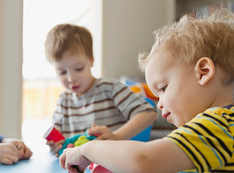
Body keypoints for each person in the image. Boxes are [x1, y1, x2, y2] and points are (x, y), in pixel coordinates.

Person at [59, 9, 234, 173]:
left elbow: (143, 159)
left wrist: (87, 149)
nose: (160, 104)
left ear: (203, 72)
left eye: (164, 88)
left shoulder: (220, 124)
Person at [44, 24, 157, 156]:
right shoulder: (63, 100)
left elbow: (148, 113)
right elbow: (59, 140)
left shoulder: (109, 88)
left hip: (112, 163)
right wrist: (56, 146)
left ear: (91, 61)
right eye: (62, 72)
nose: (70, 78)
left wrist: (116, 136)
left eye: (79, 68)